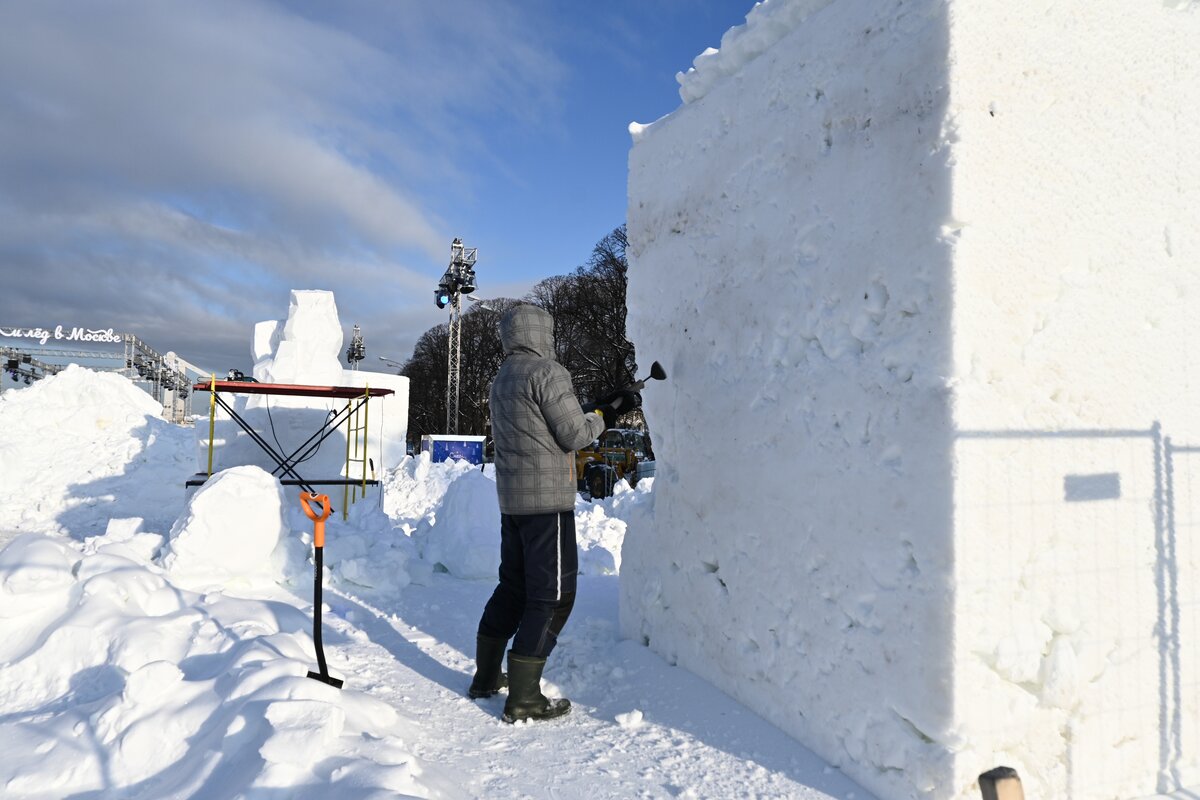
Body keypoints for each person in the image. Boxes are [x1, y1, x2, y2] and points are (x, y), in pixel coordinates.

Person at [468, 304, 635, 723]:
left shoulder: (503, 377)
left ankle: (486, 676)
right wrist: (608, 414)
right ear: (543, 333)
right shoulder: (548, 371)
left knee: (513, 589)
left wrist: (592, 408)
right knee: (554, 596)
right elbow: (575, 435)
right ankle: (524, 696)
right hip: (548, 505)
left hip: (514, 502)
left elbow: (541, 425)